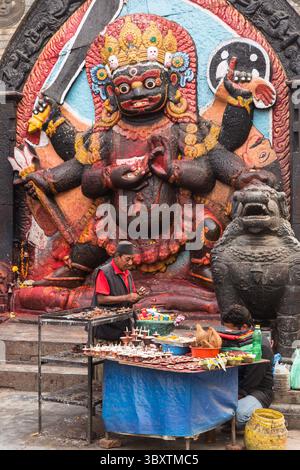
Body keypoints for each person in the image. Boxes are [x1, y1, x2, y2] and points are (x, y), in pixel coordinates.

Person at [221, 304, 274, 430]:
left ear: (244, 327)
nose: (227, 332)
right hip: (234, 388)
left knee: (239, 414)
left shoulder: (260, 346)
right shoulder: (235, 338)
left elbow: (251, 383)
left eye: (231, 329)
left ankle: (237, 421)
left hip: (257, 391)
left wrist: (228, 401)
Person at [92, 241, 146, 341]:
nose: (130, 263)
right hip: (106, 327)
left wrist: (137, 296)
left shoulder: (128, 273)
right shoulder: (104, 272)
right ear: (117, 257)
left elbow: (130, 298)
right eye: (127, 259)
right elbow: (101, 299)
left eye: (132, 259)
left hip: (122, 326)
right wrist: (127, 297)